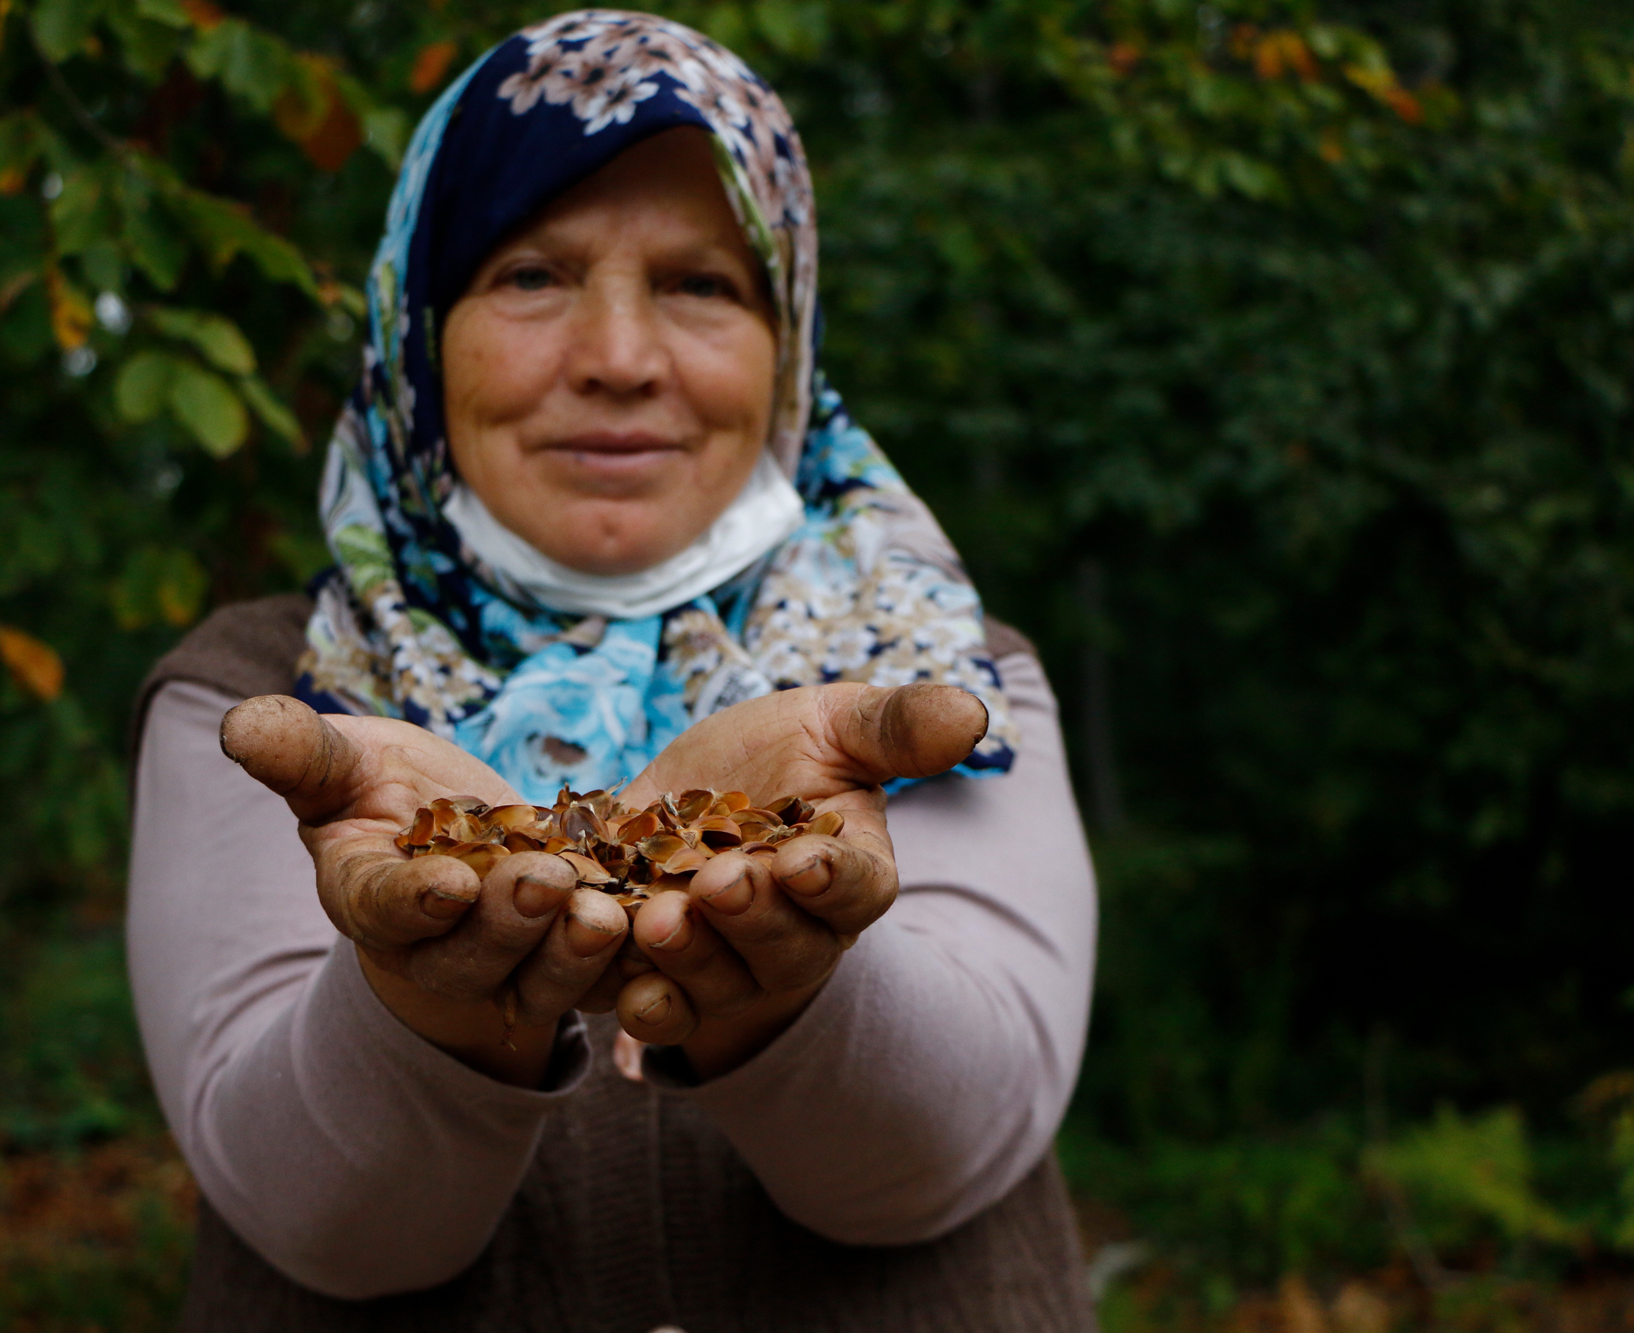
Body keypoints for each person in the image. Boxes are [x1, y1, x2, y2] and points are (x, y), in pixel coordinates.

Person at [128, 10, 1098, 1329]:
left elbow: (939, 1162)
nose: (622, 360)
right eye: (531, 274)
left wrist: (795, 982)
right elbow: (323, 1222)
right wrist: (425, 998)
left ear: (788, 338)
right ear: (422, 325)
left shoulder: (938, 673)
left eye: (702, 283)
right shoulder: (266, 689)